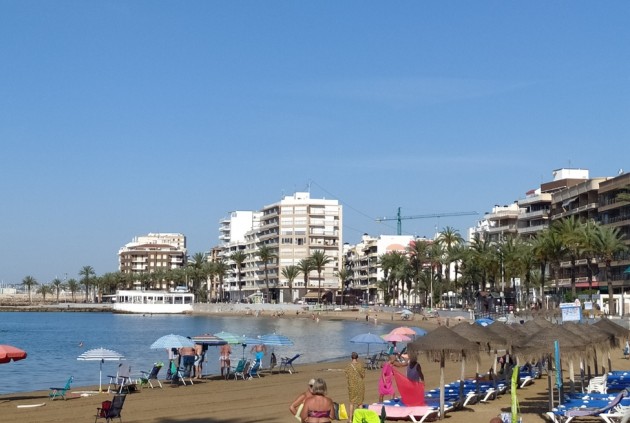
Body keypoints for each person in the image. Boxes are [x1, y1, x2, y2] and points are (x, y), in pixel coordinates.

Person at [344, 352, 365, 422]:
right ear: (357, 357)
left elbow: (347, 376)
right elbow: (363, 375)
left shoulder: (348, 366)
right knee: (360, 403)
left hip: (352, 385)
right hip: (360, 385)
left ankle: (350, 419)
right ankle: (361, 419)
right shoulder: (360, 365)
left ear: (351, 357)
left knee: (351, 402)